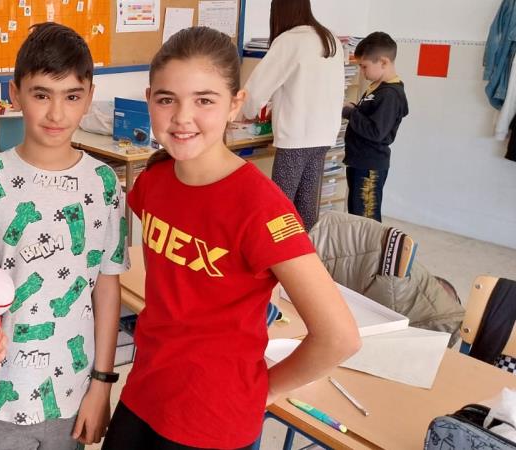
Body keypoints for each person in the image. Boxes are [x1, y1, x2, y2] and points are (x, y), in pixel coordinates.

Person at [102, 27, 361, 449]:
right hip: (146, 393)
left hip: (215, 418)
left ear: (235, 104)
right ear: (149, 100)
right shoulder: (153, 182)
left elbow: (339, 337)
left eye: (204, 100)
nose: (182, 117)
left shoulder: (260, 207)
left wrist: (266, 391)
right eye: (167, 100)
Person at [0, 22, 129, 449]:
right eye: (41, 95)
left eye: (72, 96)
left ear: (89, 96)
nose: (57, 114)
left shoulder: (104, 184)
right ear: (15, 94)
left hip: (72, 392)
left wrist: (102, 384)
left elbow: (107, 286)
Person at [241, 0, 345, 231]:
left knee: (280, 206)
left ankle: (278, 252)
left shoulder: (290, 40)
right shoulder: (330, 39)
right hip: (324, 135)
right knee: (306, 206)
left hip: (297, 138)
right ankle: (305, 250)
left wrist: (246, 111)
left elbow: (256, 89)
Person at [343, 32, 409, 221]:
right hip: (359, 161)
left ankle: (369, 244)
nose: (362, 72)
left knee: (367, 219)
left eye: (364, 66)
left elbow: (376, 131)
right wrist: (355, 110)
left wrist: (350, 113)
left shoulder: (390, 94)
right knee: (357, 216)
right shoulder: (377, 87)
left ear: (383, 62)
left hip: (370, 165)